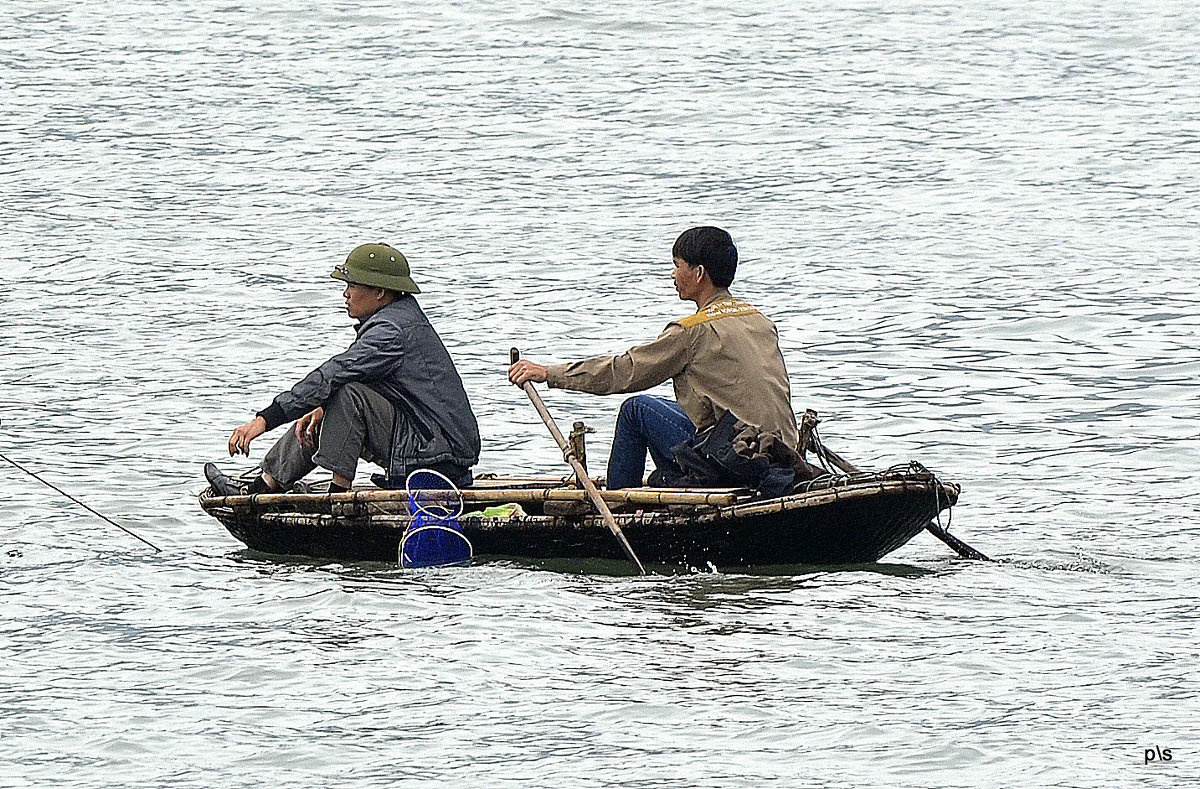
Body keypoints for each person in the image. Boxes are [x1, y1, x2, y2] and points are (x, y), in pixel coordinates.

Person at [508, 226, 797, 490]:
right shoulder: (759, 320)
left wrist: (549, 373)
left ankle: (620, 499)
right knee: (663, 406)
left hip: (736, 461)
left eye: (677, 265)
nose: (673, 274)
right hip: (779, 453)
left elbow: (624, 372)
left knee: (636, 409)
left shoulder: (691, 331)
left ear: (698, 273)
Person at [205, 243, 481, 496]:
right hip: (431, 444)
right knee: (323, 406)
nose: (346, 293)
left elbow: (335, 373)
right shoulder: (399, 318)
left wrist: (264, 420)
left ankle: (338, 495)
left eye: (352, 285)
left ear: (380, 292)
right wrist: (323, 409)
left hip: (437, 457)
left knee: (345, 392)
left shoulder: (390, 331)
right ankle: (265, 484)